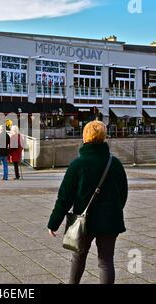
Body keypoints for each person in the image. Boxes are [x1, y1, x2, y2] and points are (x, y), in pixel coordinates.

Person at [47, 120, 128, 284]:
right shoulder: (114, 163)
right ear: (104, 138)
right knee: (106, 261)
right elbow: (123, 193)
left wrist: (54, 222)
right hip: (110, 220)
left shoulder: (77, 165)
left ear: (85, 138)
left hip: (84, 221)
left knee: (78, 256)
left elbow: (65, 197)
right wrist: (114, 209)